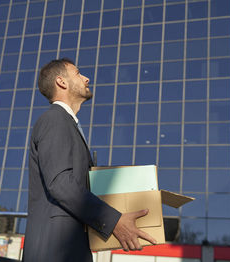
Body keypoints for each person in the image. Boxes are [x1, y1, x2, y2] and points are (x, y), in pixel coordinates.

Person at [23, 58, 156, 261]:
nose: (87, 78)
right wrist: (114, 221)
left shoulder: (66, 124)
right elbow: (61, 184)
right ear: (62, 82)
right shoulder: (55, 119)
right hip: (56, 253)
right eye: (78, 73)